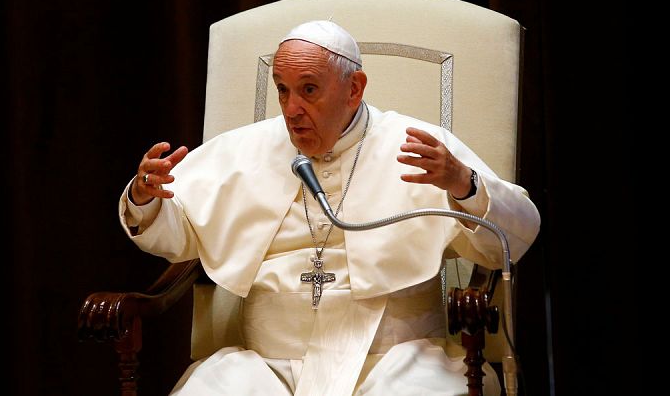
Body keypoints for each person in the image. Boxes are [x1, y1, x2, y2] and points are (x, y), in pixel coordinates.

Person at [119, 20, 540, 395]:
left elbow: (513, 238)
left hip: (395, 358)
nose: (291, 110)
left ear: (354, 89)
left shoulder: (418, 147)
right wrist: (147, 200)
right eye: (282, 89)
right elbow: (179, 236)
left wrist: (463, 184)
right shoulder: (241, 149)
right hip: (268, 365)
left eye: (308, 90)